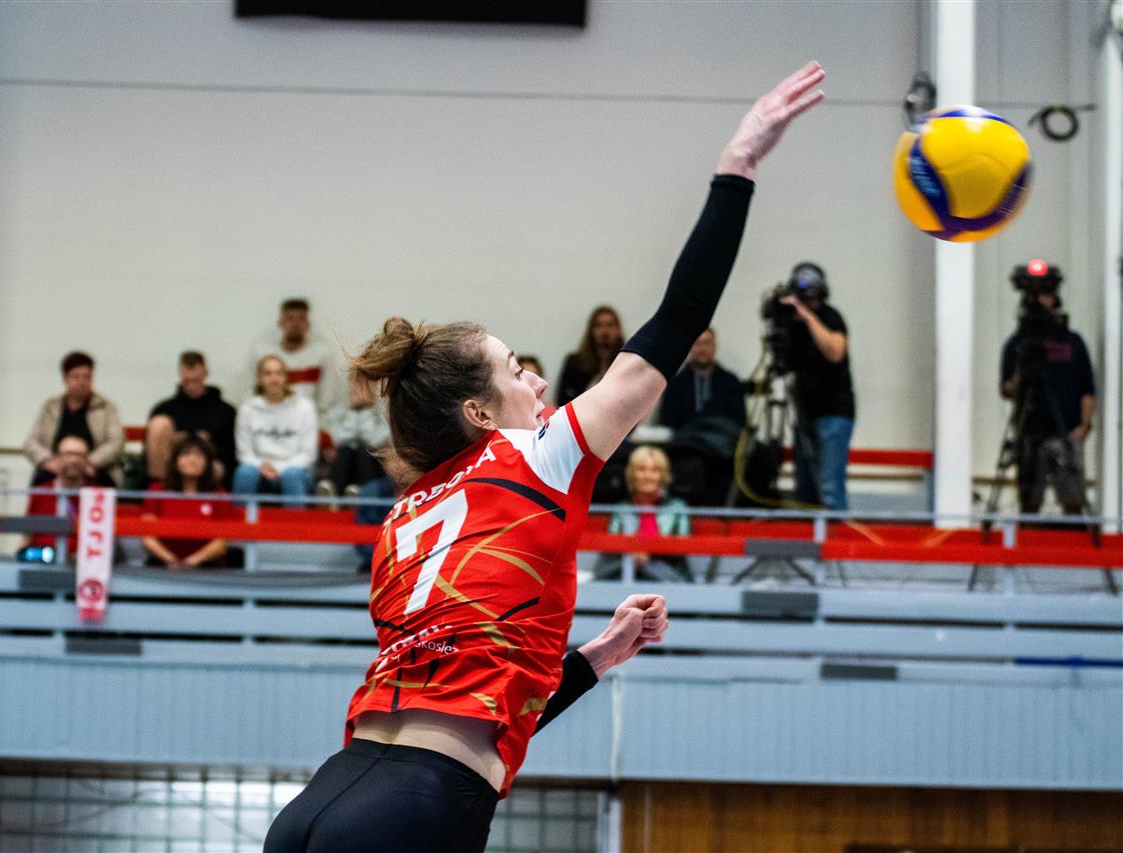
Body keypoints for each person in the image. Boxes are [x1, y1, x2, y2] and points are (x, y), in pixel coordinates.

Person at [264, 61, 825, 853]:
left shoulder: (403, 516)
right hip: (419, 805)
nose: (536, 378)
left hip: (325, 798)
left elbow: (484, 695)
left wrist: (599, 655)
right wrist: (739, 165)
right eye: (514, 367)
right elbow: (673, 325)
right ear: (478, 411)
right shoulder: (536, 454)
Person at [1000, 262, 1096, 515]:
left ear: (1056, 298)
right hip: (1030, 433)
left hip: (1067, 432)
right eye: (1037, 295)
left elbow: (1088, 387)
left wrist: (1085, 425)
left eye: (1047, 294)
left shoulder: (1073, 342)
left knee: (1073, 499)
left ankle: (1075, 538)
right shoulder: (1017, 343)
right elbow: (1007, 390)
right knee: (1029, 501)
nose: (1043, 300)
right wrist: (1022, 367)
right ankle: (1026, 538)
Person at [778, 261, 855, 510]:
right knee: (805, 489)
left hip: (833, 413)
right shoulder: (792, 324)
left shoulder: (830, 317)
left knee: (829, 488)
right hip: (805, 414)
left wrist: (808, 317)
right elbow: (782, 364)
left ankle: (834, 532)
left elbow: (835, 352)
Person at [659, 328, 747, 505]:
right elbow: (667, 420)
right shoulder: (675, 384)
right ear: (690, 347)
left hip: (723, 456)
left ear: (714, 346)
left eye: (707, 343)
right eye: (697, 343)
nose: (702, 349)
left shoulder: (731, 382)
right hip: (686, 454)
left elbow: (739, 421)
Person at [23, 351, 124, 486]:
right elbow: (30, 443)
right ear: (65, 379)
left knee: (105, 486)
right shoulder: (50, 407)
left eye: (87, 377)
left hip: (94, 468)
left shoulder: (106, 407)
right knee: (39, 485)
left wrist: (90, 462)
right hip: (56, 468)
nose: (82, 382)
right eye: (76, 377)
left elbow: (116, 443)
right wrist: (47, 460)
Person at [596, 446, 691, 582]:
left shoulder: (677, 508)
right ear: (632, 474)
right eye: (641, 470)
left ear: (663, 475)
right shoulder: (621, 508)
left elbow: (681, 547)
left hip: (667, 578)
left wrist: (649, 553)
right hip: (625, 574)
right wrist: (633, 554)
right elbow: (612, 545)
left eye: (654, 470)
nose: (647, 476)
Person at [234, 354, 318, 507]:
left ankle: (295, 523)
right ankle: (241, 522)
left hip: (295, 470)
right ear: (259, 378)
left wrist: (279, 468)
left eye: (279, 373)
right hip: (258, 469)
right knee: (244, 473)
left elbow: (308, 455)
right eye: (268, 373)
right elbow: (244, 453)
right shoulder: (247, 408)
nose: (274, 379)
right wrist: (262, 466)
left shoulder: (305, 407)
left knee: (291, 476)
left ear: (286, 378)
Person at [141, 437, 238, 569]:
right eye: (186, 454)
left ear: (208, 463)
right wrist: (171, 560)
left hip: (207, 567)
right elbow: (147, 536)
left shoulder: (219, 496)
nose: (192, 460)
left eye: (199, 455)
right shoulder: (157, 490)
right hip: (162, 566)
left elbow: (222, 541)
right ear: (175, 461)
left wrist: (192, 562)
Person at [145, 351, 237, 487]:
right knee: (159, 424)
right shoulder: (164, 409)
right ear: (181, 375)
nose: (192, 386)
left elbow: (232, 450)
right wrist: (173, 441)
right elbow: (152, 450)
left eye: (196, 381)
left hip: (210, 465)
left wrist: (209, 446)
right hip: (173, 466)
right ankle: (159, 491)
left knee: (217, 467)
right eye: (187, 381)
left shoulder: (226, 411)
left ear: (205, 374)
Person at [249, 298, 343, 431]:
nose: (295, 323)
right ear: (280, 322)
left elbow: (328, 399)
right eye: (290, 318)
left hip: (310, 425)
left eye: (301, 319)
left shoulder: (322, 354)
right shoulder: (263, 354)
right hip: (271, 424)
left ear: (308, 324)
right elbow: (256, 392)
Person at [317, 370, 391, 500]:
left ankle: (359, 492)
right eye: (353, 384)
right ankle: (332, 492)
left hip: (370, 462)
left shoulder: (381, 414)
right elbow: (336, 438)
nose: (354, 389)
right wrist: (354, 412)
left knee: (363, 451)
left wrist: (364, 412)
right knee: (346, 450)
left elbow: (375, 440)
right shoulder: (341, 412)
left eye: (360, 385)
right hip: (345, 461)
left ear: (372, 388)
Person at [19, 435, 91, 560]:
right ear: (57, 458)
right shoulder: (40, 493)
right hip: (41, 561)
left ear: (87, 461)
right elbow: (27, 535)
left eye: (79, 455)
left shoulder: (98, 495)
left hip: (84, 564)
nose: (74, 460)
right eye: (68, 454)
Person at [555, 306, 624, 406]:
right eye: (599, 325)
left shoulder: (626, 363)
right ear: (591, 331)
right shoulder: (574, 363)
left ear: (618, 329)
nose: (604, 331)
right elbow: (562, 401)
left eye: (610, 325)